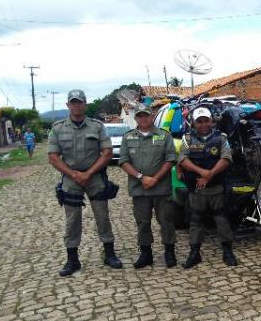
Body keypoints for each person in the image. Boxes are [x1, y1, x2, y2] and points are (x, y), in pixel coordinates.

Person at [48, 89, 123, 276]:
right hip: (71, 179)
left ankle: (109, 253)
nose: (77, 105)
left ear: (85, 104)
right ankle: (72, 260)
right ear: (68, 105)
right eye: (73, 102)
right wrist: (73, 174)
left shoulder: (97, 126)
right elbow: (53, 157)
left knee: (102, 216)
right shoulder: (58, 128)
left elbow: (107, 153)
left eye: (80, 102)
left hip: (95, 177)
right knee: (72, 220)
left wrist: (89, 173)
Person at [119, 103, 177, 269]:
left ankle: (169, 251)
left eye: (146, 115)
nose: (143, 118)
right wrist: (141, 177)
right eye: (139, 116)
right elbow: (123, 161)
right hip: (139, 188)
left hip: (161, 188)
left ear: (152, 116)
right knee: (142, 222)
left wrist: (155, 179)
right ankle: (146, 253)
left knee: (166, 221)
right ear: (136, 118)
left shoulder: (164, 136)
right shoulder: (128, 137)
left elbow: (170, 159)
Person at [178, 106, 237, 269]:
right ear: (194, 123)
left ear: (212, 121)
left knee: (221, 218)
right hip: (196, 189)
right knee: (195, 219)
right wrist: (202, 172)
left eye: (206, 120)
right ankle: (194, 253)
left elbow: (226, 158)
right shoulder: (187, 139)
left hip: (217, 187)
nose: (203, 124)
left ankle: (227, 251)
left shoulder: (221, 138)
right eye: (199, 121)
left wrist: (209, 175)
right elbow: (182, 159)